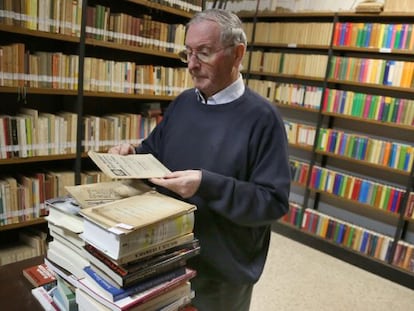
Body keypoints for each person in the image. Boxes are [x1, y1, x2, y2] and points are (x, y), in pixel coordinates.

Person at [109, 8, 290, 311]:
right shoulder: (183, 103)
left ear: (237, 54)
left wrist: (207, 184)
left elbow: (272, 202)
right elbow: (155, 155)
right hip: (163, 256)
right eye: (188, 53)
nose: (192, 65)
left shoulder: (263, 119)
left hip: (220, 272)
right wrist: (132, 155)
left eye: (204, 53)